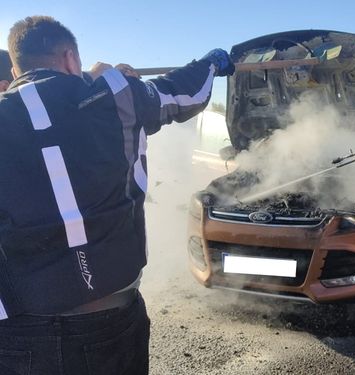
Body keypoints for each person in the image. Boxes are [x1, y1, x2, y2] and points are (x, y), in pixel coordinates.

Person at [0, 15, 234, 374]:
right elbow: (184, 93)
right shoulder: (114, 94)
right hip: (109, 322)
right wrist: (211, 62)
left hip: (18, 332)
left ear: (16, 71)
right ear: (69, 58)